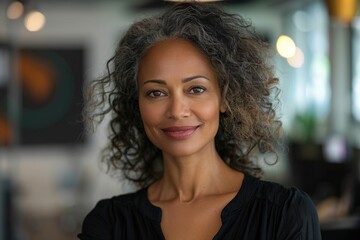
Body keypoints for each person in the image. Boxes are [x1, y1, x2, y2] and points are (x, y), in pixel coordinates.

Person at [78, 2, 321, 240]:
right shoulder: (109, 223)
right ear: (137, 105)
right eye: (156, 92)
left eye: (195, 89)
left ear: (226, 98)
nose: (176, 110)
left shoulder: (285, 213)